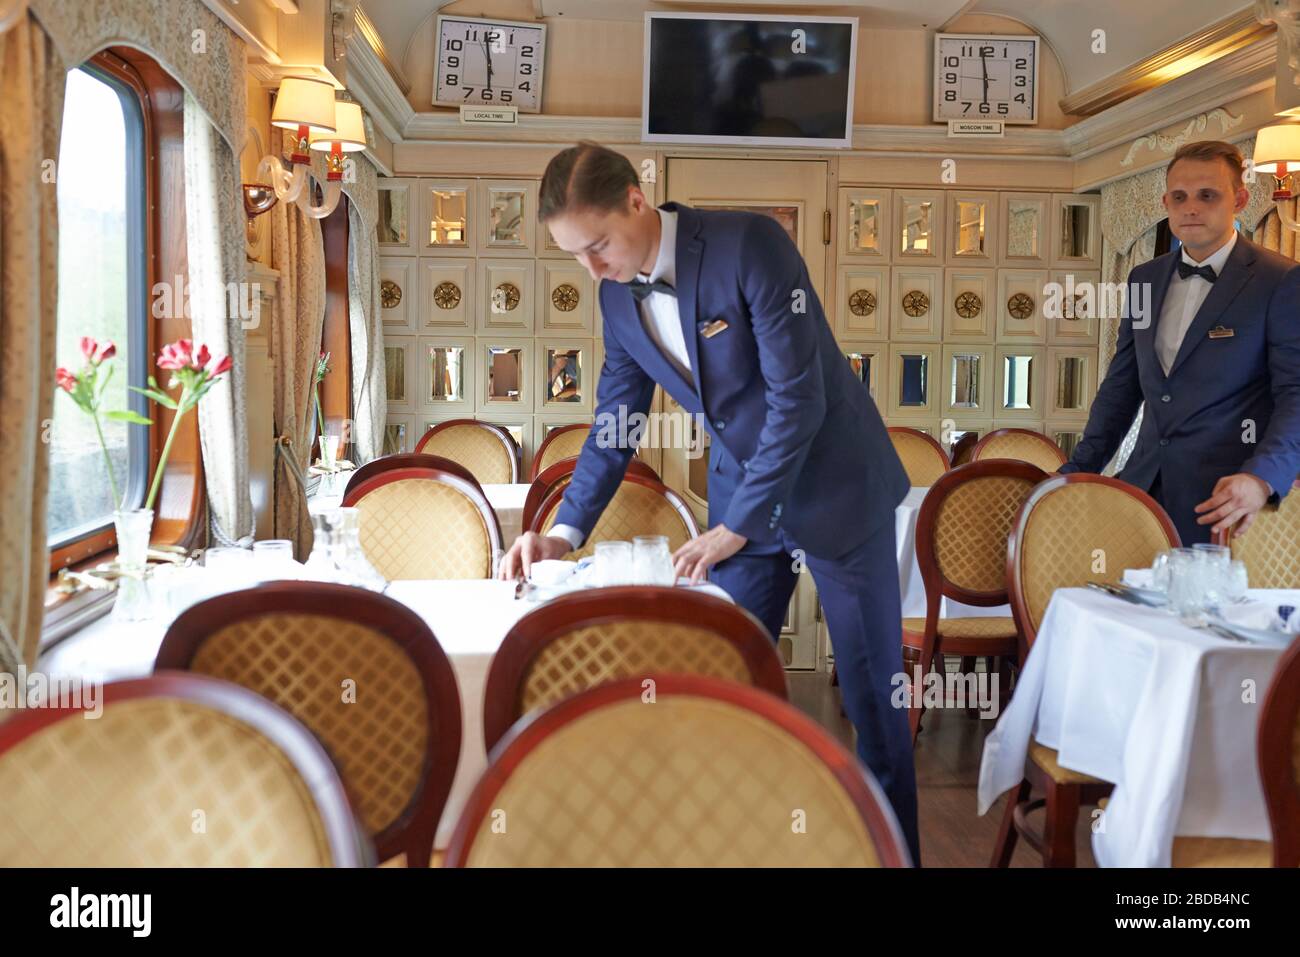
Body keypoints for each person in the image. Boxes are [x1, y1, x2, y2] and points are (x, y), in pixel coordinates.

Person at [497, 141, 919, 861]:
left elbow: (799, 397)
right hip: (740, 504)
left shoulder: (749, 244)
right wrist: (563, 532)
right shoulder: (613, 294)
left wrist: (734, 525)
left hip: (836, 488)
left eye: (598, 245)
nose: (593, 268)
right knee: (715, 688)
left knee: (876, 703)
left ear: (637, 199)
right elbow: (616, 421)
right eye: (575, 255)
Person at [1060, 140, 1300, 545]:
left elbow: (1295, 394)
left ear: (1239, 200)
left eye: (1208, 195)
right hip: (1142, 494)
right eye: (1180, 196)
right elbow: (1122, 387)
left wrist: (1261, 477)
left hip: (1228, 503)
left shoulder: (1281, 281)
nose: (1191, 207)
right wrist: (1079, 470)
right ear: (1165, 202)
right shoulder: (1143, 279)